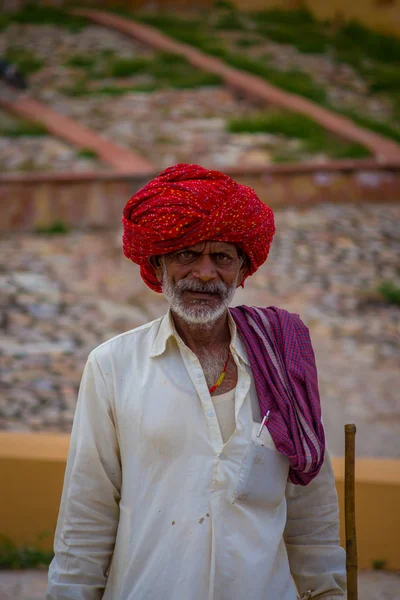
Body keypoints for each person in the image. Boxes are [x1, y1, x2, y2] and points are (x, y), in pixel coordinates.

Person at [47, 163, 346, 600]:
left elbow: (310, 509)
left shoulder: (283, 360)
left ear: (242, 270)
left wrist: (328, 592)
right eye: (186, 254)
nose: (204, 274)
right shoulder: (113, 366)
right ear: (159, 264)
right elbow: (86, 515)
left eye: (221, 257)